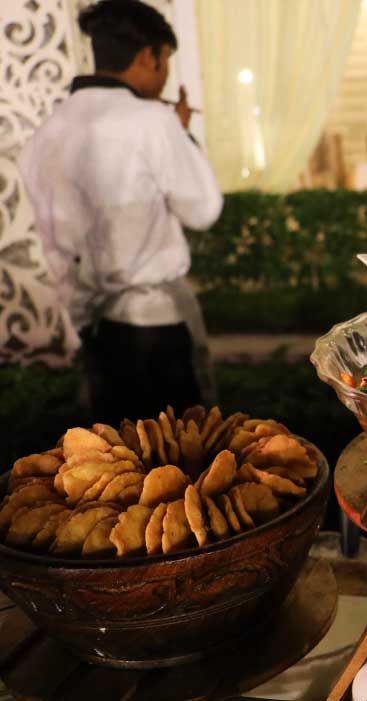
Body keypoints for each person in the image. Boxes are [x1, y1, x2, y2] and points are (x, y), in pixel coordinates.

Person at [18, 0, 223, 425]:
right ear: (149, 56)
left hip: (92, 328)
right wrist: (180, 134)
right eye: (166, 63)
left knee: (116, 454)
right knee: (180, 451)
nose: (165, 77)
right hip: (155, 326)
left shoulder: (46, 134)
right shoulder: (150, 121)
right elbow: (203, 209)